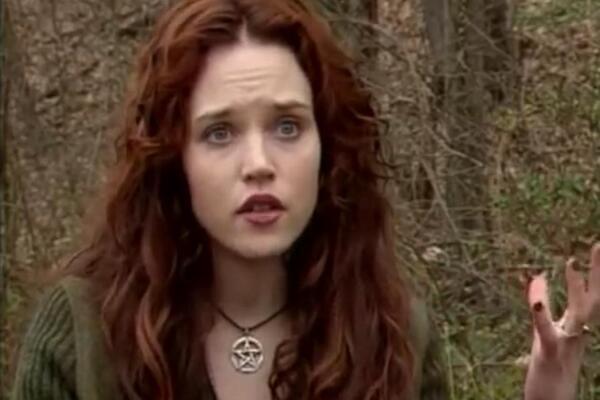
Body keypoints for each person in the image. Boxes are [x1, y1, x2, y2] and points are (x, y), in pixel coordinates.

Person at [9, 0, 600, 399]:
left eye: (287, 126)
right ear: (174, 158)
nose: (259, 163)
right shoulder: (84, 338)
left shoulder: (393, 336)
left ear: (327, 148)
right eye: (219, 132)